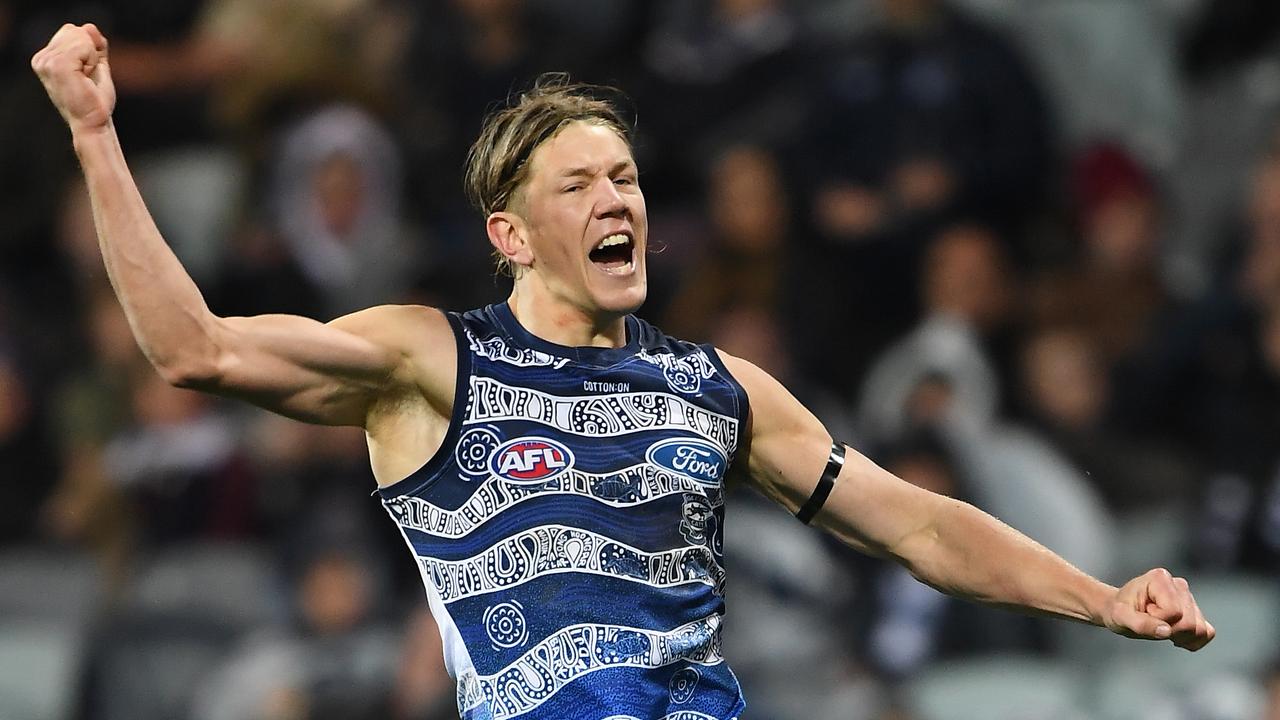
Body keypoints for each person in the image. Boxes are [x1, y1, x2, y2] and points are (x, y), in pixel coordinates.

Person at [31, 22, 1215, 720]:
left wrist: (1101, 601)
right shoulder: (427, 359)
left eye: (629, 181)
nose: (620, 202)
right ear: (509, 232)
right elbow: (196, 349)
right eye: (580, 185)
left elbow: (917, 526)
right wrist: (94, 135)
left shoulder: (716, 389)